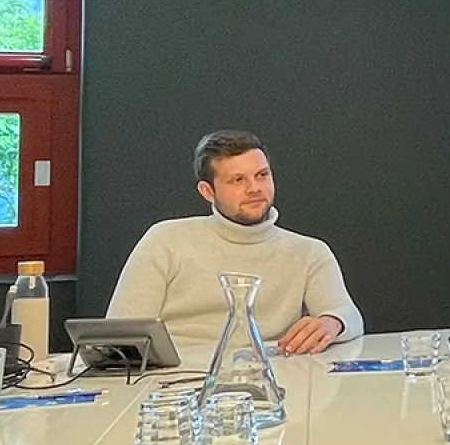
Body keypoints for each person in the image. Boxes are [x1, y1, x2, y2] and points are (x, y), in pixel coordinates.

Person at [107, 130, 364, 354]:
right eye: (237, 180)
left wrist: (333, 321)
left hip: (274, 380)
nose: (255, 188)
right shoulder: (164, 240)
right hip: (176, 383)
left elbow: (348, 315)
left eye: (262, 175)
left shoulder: (309, 252)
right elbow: (120, 335)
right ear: (207, 191)